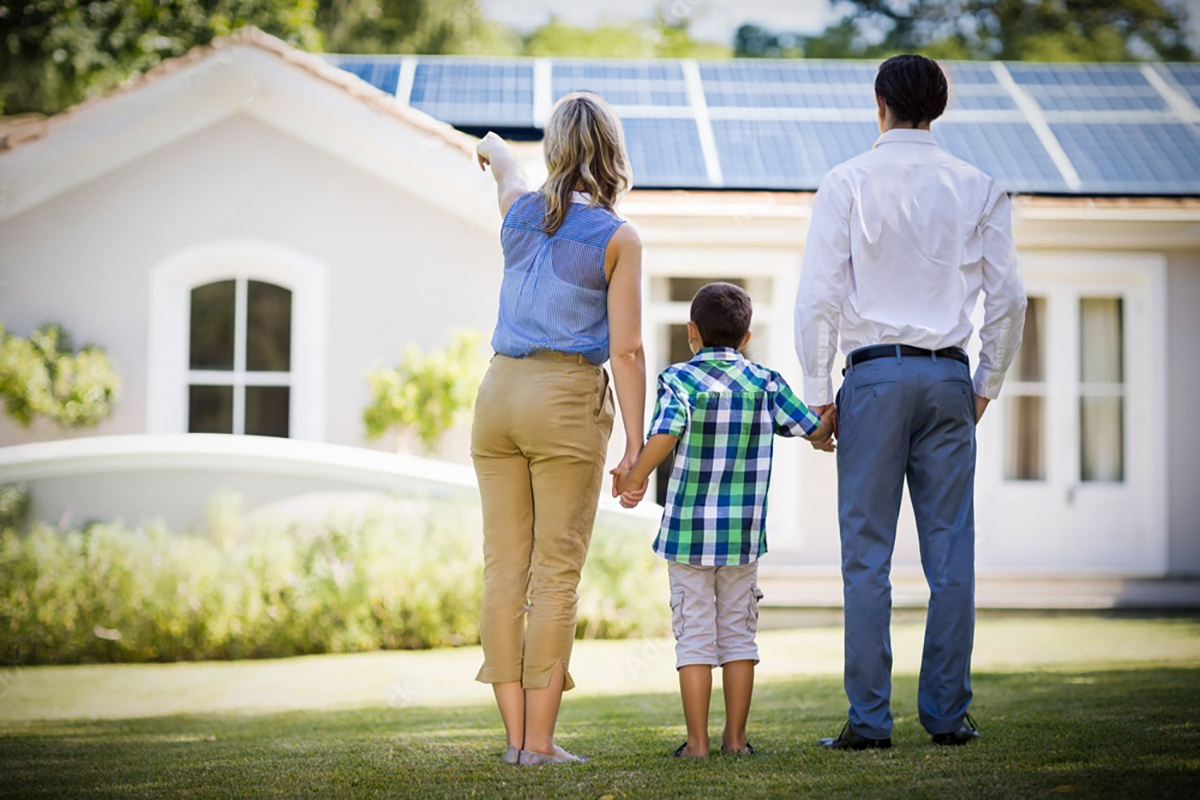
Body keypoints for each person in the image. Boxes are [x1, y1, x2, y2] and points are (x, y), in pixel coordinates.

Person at [795, 54, 1027, 749]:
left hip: (870, 378)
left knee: (866, 558)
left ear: (880, 103)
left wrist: (816, 395)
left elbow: (818, 296)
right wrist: (985, 381)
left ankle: (869, 722)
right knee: (951, 555)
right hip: (948, 377)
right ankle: (947, 716)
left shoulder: (845, 182)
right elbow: (1008, 296)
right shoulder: (980, 186)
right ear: (939, 107)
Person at [472, 92, 647, 766]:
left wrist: (489, 144)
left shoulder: (517, 214)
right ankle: (538, 744)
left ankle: (515, 740)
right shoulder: (617, 238)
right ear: (612, 151)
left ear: (557, 150)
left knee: (503, 569)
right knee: (554, 575)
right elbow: (628, 351)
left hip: (498, 393)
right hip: (564, 398)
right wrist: (636, 447)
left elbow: (506, 170)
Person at [615, 282, 834, 758]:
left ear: (691, 332)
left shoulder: (678, 380)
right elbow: (812, 427)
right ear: (747, 336)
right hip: (741, 538)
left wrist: (635, 476)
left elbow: (666, 432)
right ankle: (735, 741)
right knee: (738, 634)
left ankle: (696, 745)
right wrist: (826, 425)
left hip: (688, 537)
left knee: (694, 635)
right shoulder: (766, 383)